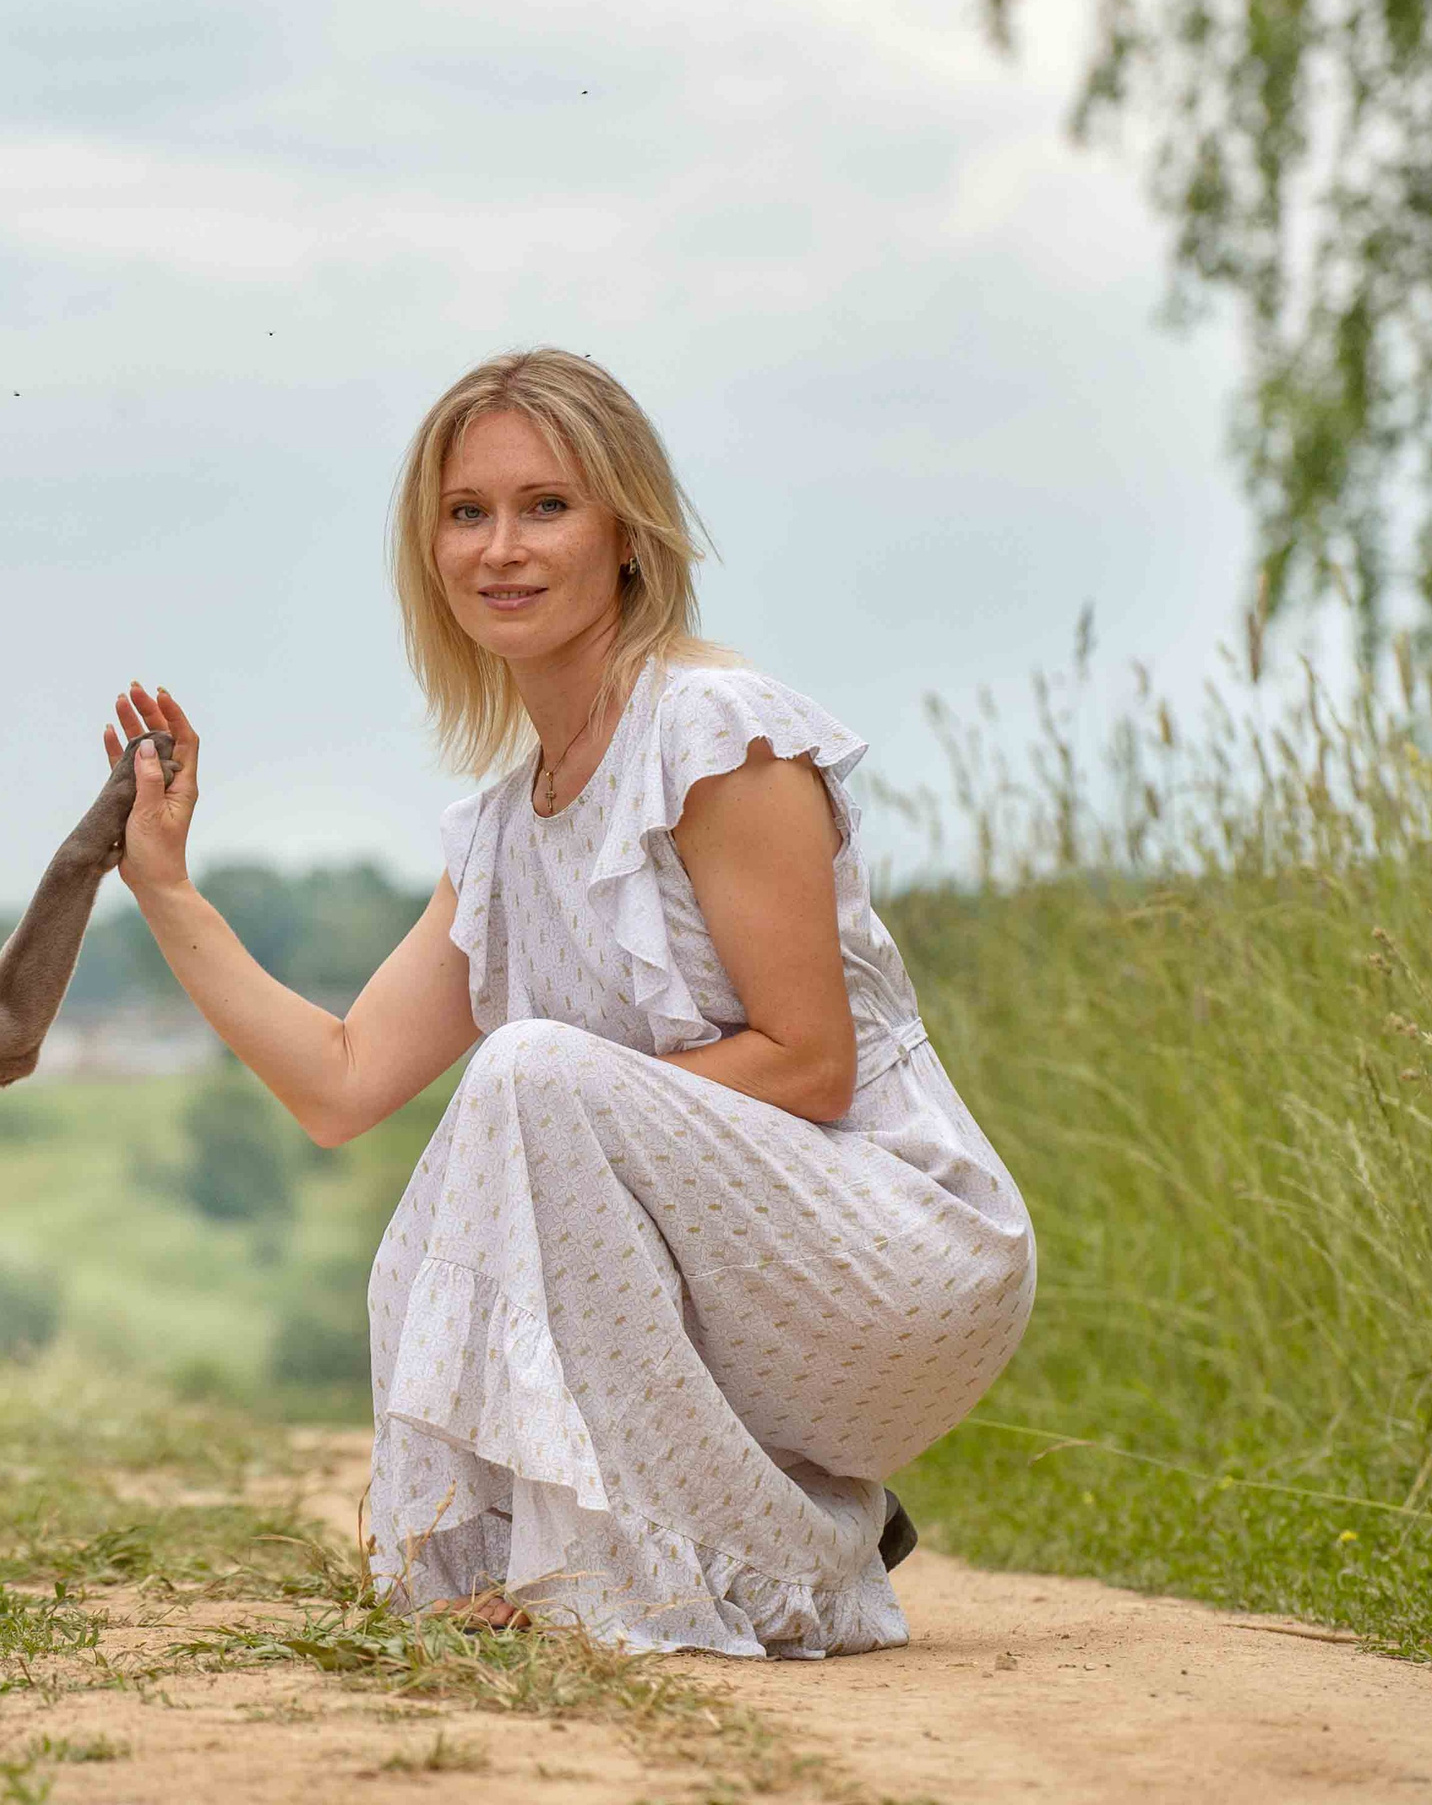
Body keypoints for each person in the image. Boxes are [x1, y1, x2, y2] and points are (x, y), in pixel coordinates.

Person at [97, 348, 1035, 1659]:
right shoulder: (499, 831)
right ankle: (670, 1536)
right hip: (745, 1290)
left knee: (524, 1084)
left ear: (628, 534)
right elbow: (342, 1079)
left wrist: (553, 1123)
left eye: (547, 506)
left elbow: (814, 1064)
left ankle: (716, 1545)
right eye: (467, 511)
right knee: (447, 1191)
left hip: (899, 1250)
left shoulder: (715, 734)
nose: (501, 548)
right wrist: (162, 885)